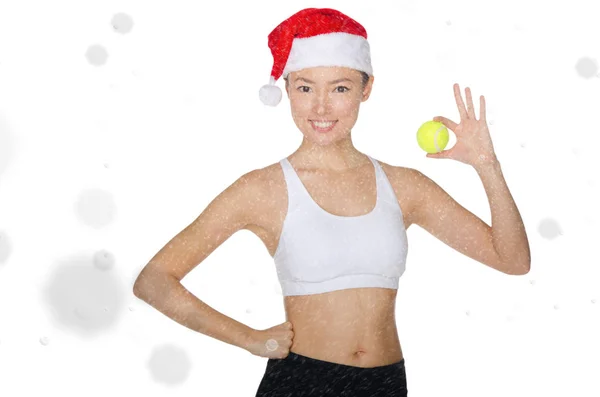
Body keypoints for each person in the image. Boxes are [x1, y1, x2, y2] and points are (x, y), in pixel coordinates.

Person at [133, 7, 531, 397]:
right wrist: (248, 338)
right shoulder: (262, 189)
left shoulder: (404, 185)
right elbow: (154, 281)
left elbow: (511, 260)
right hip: (302, 382)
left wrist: (487, 166)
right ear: (287, 89)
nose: (320, 107)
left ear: (366, 88)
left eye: (340, 88)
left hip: (385, 384)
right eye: (305, 87)